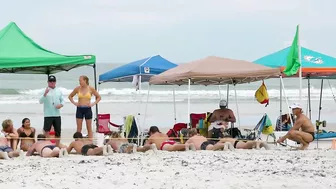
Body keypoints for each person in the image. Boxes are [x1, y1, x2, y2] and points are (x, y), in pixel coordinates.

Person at [68, 75, 101, 141]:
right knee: (79, 128)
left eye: (80, 80)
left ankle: (90, 142)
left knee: (89, 127)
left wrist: (93, 104)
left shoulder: (90, 89)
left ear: (85, 81)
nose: (79, 82)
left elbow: (99, 97)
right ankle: (77, 142)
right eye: (79, 81)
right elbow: (70, 96)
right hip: (79, 109)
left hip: (87, 109)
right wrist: (75, 103)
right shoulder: (77, 88)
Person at [39, 75, 64, 147]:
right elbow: (40, 101)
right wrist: (45, 94)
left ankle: (57, 145)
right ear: (48, 82)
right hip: (48, 114)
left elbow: (63, 100)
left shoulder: (59, 90)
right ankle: (47, 144)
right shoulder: (45, 90)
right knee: (46, 130)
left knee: (58, 131)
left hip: (57, 114)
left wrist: (61, 105)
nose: (52, 82)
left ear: (55, 82)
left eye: (53, 81)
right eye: (50, 81)